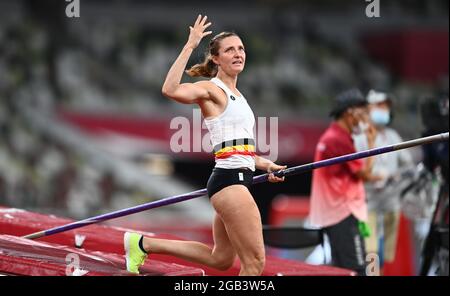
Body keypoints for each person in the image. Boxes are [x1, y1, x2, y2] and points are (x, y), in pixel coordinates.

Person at [123, 15, 286, 276]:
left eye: (241, 48)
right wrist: (190, 45)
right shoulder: (212, 90)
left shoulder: (240, 97)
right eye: (230, 49)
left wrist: (265, 164)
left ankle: (142, 244)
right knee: (254, 264)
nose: (238, 53)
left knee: (220, 259)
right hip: (231, 183)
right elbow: (170, 89)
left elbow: (238, 148)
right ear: (216, 59)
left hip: (233, 180)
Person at [308, 88, 382, 276]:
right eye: (363, 112)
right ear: (350, 112)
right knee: (356, 270)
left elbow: (350, 174)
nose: (365, 118)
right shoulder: (338, 139)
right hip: (341, 213)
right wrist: (371, 142)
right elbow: (363, 174)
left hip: (338, 213)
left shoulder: (336, 136)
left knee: (342, 269)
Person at [353, 90, 414, 274]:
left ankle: (376, 273)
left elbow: (408, 164)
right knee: (371, 251)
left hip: (390, 203)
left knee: (385, 254)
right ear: (368, 109)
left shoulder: (393, 136)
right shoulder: (359, 137)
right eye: (379, 106)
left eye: (386, 107)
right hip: (367, 204)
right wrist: (376, 175)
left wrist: (395, 175)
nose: (384, 110)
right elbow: (356, 169)